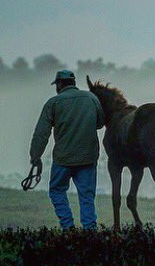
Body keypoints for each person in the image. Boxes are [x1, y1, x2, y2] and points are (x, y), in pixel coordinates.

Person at [29, 69, 105, 230]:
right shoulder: (91, 99)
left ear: (60, 84)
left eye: (57, 84)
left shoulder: (53, 103)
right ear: (73, 83)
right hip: (87, 158)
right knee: (86, 196)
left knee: (57, 190)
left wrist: (35, 157)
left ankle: (68, 227)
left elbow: (41, 134)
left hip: (63, 159)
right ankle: (90, 231)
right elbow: (100, 123)